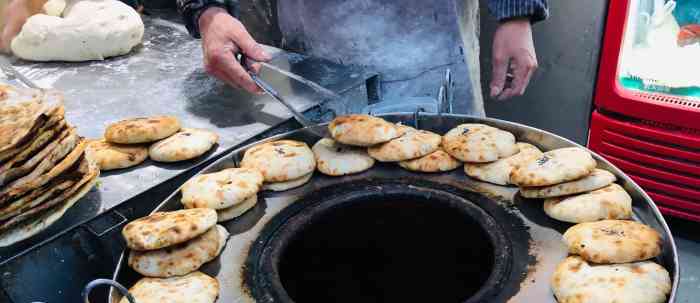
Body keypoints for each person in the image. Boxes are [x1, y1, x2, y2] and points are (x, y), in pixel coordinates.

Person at [2, 0, 547, 115]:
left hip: (428, 46)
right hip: (312, 50)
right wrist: (209, 13)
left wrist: (516, 11)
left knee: (448, 209)